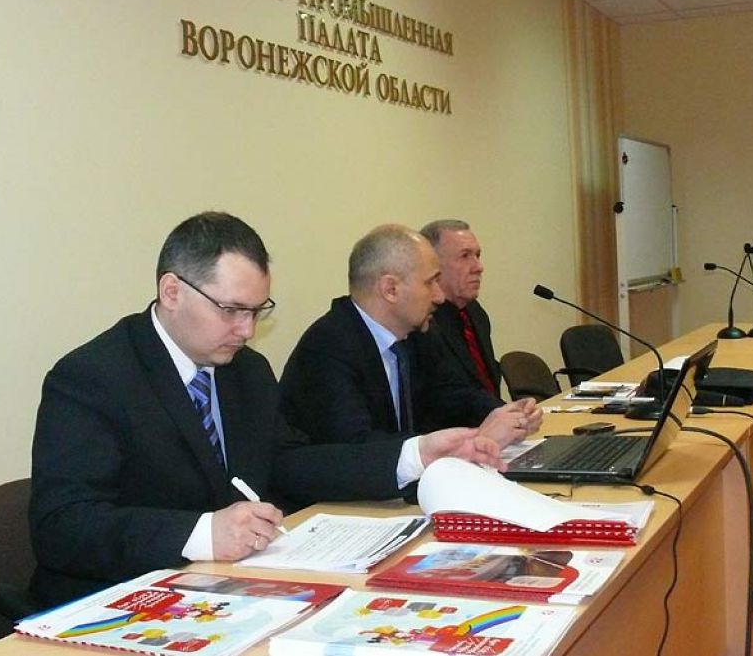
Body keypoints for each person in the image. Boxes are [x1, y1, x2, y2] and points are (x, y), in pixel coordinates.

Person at [29, 212, 502, 608]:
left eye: (257, 311)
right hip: (122, 601)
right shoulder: (93, 377)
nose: (248, 331)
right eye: (231, 310)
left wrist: (415, 455)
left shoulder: (245, 371)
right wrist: (201, 532)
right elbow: (62, 526)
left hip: (230, 592)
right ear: (172, 292)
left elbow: (289, 462)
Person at [279, 224, 540, 449]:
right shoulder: (327, 349)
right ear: (390, 289)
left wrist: (507, 414)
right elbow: (357, 448)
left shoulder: (416, 334)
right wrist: (478, 440)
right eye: (430, 283)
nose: (439, 296)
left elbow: (451, 395)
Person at [419, 219, 501, 397]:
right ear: (433, 265)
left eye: (477, 255)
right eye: (465, 256)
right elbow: (446, 395)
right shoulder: (423, 323)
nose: (478, 267)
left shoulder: (475, 313)